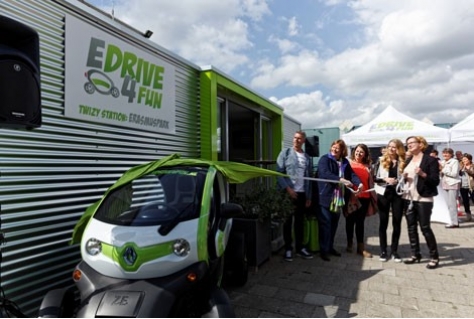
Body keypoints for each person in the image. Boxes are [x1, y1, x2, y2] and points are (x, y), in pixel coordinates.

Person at [317, 139, 362, 261]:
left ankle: (330, 247)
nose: (334, 149)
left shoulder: (345, 162)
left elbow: (352, 175)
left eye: (337, 148)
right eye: (333, 147)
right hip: (325, 197)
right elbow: (325, 173)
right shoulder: (324, 159)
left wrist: (359, 184)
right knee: (325, 225)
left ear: (342, 151)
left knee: (333, 225)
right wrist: (340, 180)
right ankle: (324, 250)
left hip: (339, 199)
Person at [402, 136, 440, 269]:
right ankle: (415, 254)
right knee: (411, 228)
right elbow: (407, 180)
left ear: (420, 144)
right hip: (409, 198)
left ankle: (434, 256)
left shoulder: (430, 160)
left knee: (425, 228)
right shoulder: (408, 160)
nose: (409, 145)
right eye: (407, 144)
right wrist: (404, 178)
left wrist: (423, 174)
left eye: (412, 143)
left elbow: (435, 181)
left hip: (424, 199)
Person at [276, 130, 313, 261]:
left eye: (299, 138)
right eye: (295, 138)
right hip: (288, 193)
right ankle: (288, 248)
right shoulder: (285, 153)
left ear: (303, 141)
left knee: (299, 221)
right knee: (287, 222)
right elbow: (279, 173)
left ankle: (300, 248)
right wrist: (288, 189)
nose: (296, 140)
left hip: (302, 193)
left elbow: (309, 178)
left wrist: (309, 197)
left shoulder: (307, 157)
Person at [374, 139, 406, 262]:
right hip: (383, 193)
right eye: (390, 146)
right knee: (383, 222)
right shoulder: (381, 160)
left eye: (395, 147)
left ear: (399, 149)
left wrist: (402, 179)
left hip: (398, 194)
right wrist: (385, 179)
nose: (392, 149)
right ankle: (383, 250)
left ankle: (394, 251)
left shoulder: (403, 161)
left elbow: (408, 179)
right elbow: (374, 178)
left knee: (397, 222)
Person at [345, 144, 373, 258]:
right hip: (352, 197)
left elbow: (372, 181)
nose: (358, 153)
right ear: (354, 152)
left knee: (360, 223)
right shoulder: (349, 164)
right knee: (350, 221)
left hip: (365, 197)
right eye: (357, 151)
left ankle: (360, 248)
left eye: (361, 152)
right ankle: (349, 243)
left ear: (365, 154)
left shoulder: (368, 166)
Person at [441, 148, 461, 228]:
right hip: (445, 183)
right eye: (444, 153)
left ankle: (455, 222)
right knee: (447, 204)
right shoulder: (442, 162)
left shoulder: (454, 161)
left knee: (452, 204)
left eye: (447, 153)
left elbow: (454, 173)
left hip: (452, 184)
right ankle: (450, 220)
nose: (445, 155)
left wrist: (443, 170)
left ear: (451, 154)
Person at [459, 153, 474, 222]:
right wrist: (461, 169)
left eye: (465, 159)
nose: (464, 160)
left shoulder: (472, 166)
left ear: (470, 160)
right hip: (463, 186)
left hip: (471, 186)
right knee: (465, 201)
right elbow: (457, 174)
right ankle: (468, 216)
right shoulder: (461, 166)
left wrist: (467, 170)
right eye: (463, 159)